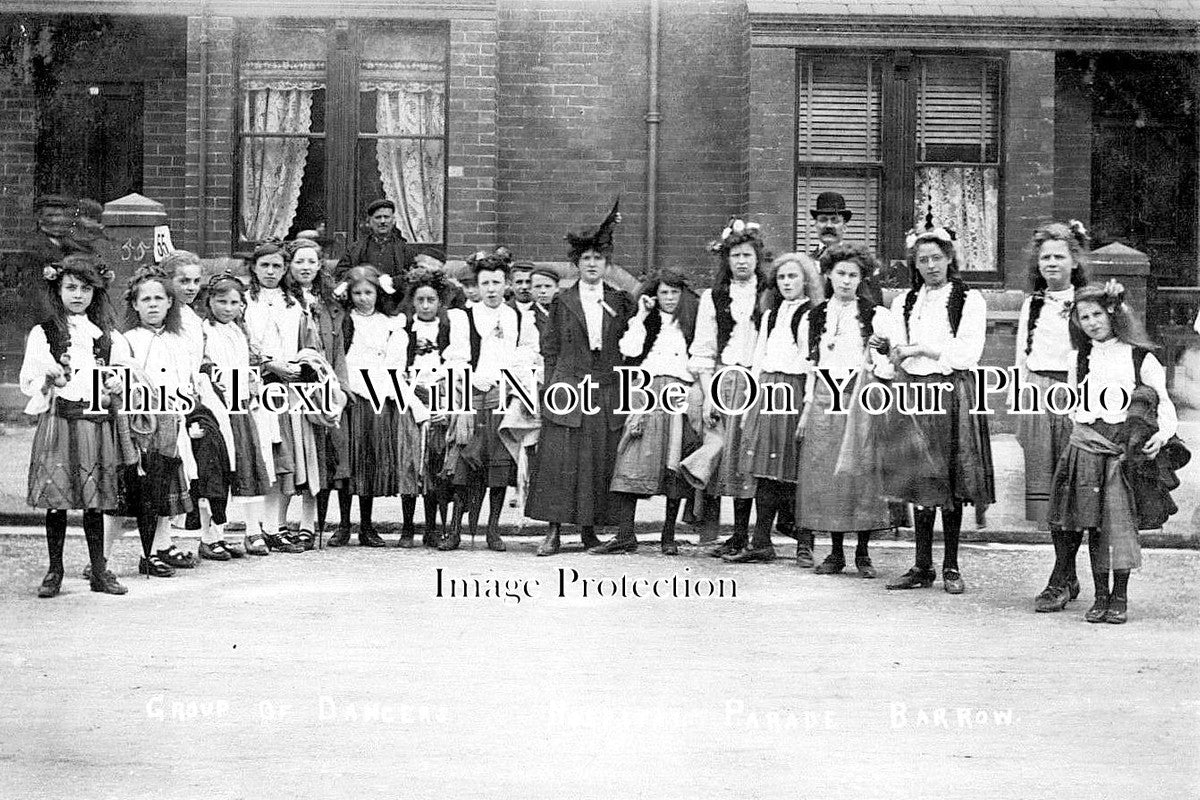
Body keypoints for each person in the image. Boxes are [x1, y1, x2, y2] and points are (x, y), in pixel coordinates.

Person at [1047, 282, 1185, 624]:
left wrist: (1161, 436)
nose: (1092, 322)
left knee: (1119, 525)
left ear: (1112, 314)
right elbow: (1075, 405)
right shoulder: (1077, 358)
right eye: (1084, 317)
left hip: (1124, 451)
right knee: (1092, 525)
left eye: (1097, 314)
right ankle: (1099, 596)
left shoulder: (1140, 356)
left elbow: (1164, 404)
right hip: (1087, 447)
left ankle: (1119, 596)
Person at [882, 226, 994, 594]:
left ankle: (951, 566)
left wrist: (921, 350)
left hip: (949, 392)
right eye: (923, 260)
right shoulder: (905, 302)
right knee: (920, 478)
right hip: (913, 392)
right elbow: (898, 349)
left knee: (950, 479)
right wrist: (891, 349)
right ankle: (921, 565)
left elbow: (966, 353)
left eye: (936, 258)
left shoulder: (967, 299)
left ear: (949, 259)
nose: (930, 266)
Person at [527, 201, 634, 556]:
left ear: (607, 264)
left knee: (596, 460)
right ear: (577, 264)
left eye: (599, 259)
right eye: (586, 259)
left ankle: (589, 532)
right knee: (560, 462)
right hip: (568, 387)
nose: (592, 264)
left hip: (604, 390)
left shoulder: (620, 301)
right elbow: (550, 348)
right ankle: (553, 533)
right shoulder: (562, 301)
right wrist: (551, 390)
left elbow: (631, 346)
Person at [22, 253, 127, 597]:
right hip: (60, 421)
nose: (78, 295)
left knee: (94, 500)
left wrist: (116, 384)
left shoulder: (107, 336)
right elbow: (31, 379)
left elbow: (123, 373)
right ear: (59, 289)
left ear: (96, 293)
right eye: (70, 287)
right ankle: (55, 570)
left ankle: (99, 570)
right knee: (58, 498)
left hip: (94, 423)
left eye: (85, 288)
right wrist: (49, 378)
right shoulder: (45, 333)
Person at [798, 243, 896, 577]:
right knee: (829, 474)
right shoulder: (814, 316)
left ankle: (864, 553)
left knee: (861, 473)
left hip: (861, 397)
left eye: (853, 275)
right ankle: (836, 552)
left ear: (862, 279)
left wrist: (875, 374)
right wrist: (808, 406)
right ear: (828, 274)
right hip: (826, 400)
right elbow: (810, 365)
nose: (846, 281)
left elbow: (889, 364)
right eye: (840, 273)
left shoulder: (876, 315)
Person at [720, 253, 822, 564]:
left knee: (796, 469)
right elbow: (759, 360)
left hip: (794, 391)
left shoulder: (813, 314)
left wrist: (807, 408)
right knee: (765, 470)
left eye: (793, 277)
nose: (787, 283)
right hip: (766, 391)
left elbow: (812, 366)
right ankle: (761, 542)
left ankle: (805, 542)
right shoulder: (770, 316)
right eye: (781, 278)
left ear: (805, 280)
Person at [596, 268, 700, 556]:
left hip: (679, 393)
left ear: (682, 295)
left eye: (674, 293)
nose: (668, 298)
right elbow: (628, 350)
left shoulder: (691, 323)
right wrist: (641, 315)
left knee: (673, 464)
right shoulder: (648, 321)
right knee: (632, 458)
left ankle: (669, 535)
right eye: (663, 292)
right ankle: (625, 534)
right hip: (647, 392)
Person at [1013, 223, 1090, 610]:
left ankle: (1059, 577)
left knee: (1071, 491)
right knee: (1047, 493)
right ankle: (1068, 574)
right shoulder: (1033, 303)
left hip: (1075, 400)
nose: (1052, 263)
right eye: (1045, 257)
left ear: (1075, 261)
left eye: (1060, 256)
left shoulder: (1087, 303)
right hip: (1038, 397)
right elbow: (1021, 359)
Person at [684, 219, 768, 558]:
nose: (742, 261)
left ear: (757, 258)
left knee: (752, 457)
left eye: (747, 254)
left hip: (759, 379)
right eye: (735, 255)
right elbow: (703, 348)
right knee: (727, 459)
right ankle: (736, 535)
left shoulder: (769, 294)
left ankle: (755, 537)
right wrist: (707, 394)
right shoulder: (713, 297)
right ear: (727, 259)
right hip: (725, 380)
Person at [445, 250, 539, 552]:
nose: (491, 289)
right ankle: (455, 530)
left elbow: (526, 356)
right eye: (485, 283)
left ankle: (493, 530)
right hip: (472, 398)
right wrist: (464, 390)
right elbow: (457, 359)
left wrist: (516, 389)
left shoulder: (519, 318)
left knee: (497, 468)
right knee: (464, 468)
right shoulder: (464, 317)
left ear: (506, 284)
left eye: (497, 282)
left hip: (503, 397)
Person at [109, 267, 199, 577]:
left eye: (159, 298)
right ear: (134, 304)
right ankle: (102, 559)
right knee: (129, 490)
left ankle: (159, 547)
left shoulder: (178, 340)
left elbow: (184, 382)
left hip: (170, 421)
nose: (152, 305)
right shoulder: (126, 341)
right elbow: (120, 380)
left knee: (163, 485)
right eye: (144, 299)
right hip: (138, 424)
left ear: (170, 302)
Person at [331, 266, 411, 547]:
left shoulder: (389, 323)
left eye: (369, 292)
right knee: (346, 462)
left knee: (368, 461)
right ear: (349, 295)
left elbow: (394, 363)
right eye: (357, 293)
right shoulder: (344, 321)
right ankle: (342, 524)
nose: (364, 298)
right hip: (350, 395)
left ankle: (366, 525)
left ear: (378, 293)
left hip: (377, 396)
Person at [200, 272, 274, 558]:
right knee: (215, 474)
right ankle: (211, 536)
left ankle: (253, 531)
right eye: (221, 301)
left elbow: (248, 366)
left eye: (234, 302)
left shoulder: (241, 332)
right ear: (210, 301)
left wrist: (252, 384)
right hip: (217, 409)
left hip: (241, 408)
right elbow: (204, 368)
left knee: (248, 469)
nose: (228, 308)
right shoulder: (205, 331)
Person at [242, 242, 308, 553]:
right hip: (257, 384)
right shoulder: (243, 301)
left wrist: (292, 368)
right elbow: (243, 342)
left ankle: (273, 527)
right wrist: (269, 363)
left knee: (282, 458)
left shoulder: (293, 304)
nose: (271, 272)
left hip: (286, 389)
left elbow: (298, 343)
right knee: (261, 458)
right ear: (254, 267)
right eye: (265, 266)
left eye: (277, 267)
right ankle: (252, 529)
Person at [287, 238, 351, 547]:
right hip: (292, 384)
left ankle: (308, 524)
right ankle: (277, 524)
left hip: (324, 385)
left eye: (312, 262)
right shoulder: (284, 300)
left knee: (319, 454)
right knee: (293, 453)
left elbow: (336, 348)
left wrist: (339, 385)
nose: (305, 267)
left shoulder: (328, 302)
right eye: (299, 261)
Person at [403, 267, 470, 547]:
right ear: (413, 302)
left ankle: (431, 527)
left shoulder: (452, 324)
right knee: (410, 463)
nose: (426, 306)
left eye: (432, 300)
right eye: (421, 300)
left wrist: (446, 398)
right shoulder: (404, 327)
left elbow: (459, 363)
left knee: (434, 464)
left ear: (441, 301)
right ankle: (408, 527)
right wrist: (415, 399)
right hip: (411, 395)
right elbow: (398, 367)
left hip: (441, 394)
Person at [335, 199, 422, 314]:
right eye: (378, 217)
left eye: (386, 217)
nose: (382, 221)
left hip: (395, 307)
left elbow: (414, 276)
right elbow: (341, 272)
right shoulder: (355, 249)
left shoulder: (405, 250)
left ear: (394, 220)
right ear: (369, 221)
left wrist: (393, 281)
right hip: (361, 306)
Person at [529, 266, 560, 340]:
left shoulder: (564, 311)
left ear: (557, 288)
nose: (543, 291)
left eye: (548, 286)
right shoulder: (527, 313)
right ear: (530, 289)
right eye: (538, 286)